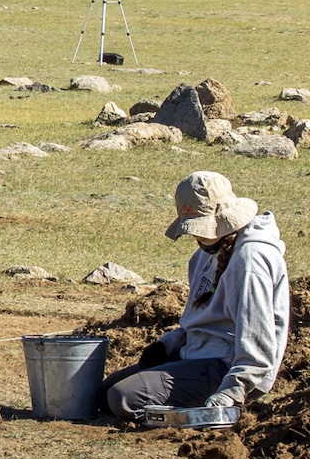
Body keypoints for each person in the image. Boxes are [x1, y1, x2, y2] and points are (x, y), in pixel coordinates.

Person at [102, 171, 290, 418]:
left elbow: (258, 344)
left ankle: (194, 417)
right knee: (102, 393)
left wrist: (231, 393)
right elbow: (198, 322)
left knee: (122, 398)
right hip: (195, 356)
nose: (196, 235)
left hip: (226, 368)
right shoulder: (203, 256)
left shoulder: (251, 259)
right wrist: (167, 344)